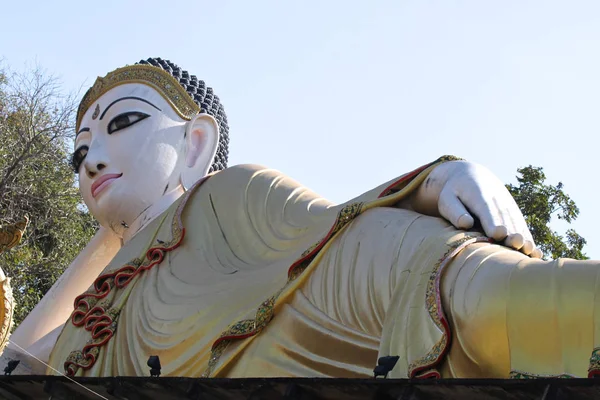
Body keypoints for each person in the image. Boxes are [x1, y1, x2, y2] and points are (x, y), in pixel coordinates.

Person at [6, 58, 596, 379]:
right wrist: (109, 238)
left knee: (443, 272)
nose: (93, 159)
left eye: (122, 124)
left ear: (196, 142)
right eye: (80, 151)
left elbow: (333, 225)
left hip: (331, 321)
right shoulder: (95, 317)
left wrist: (436, 179)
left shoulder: (227, 194)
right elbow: (16, 365)